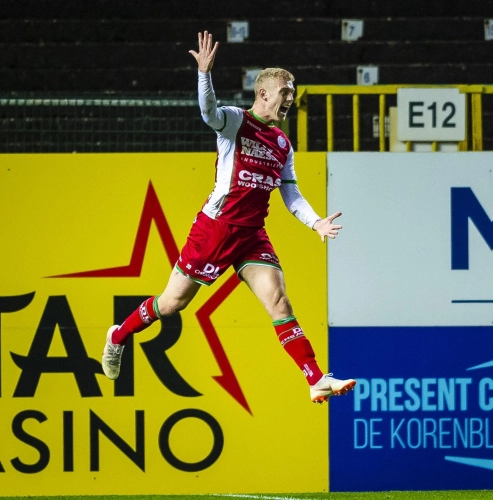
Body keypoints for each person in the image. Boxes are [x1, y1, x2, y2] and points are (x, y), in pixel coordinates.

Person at [101, 31, 355, 404]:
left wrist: (315, 221)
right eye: (286, 91)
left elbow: (291, 193)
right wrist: (204, 74)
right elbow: (209, 112)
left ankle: (315, 378)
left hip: (252, 236)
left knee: (279, 302)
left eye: (293, 92)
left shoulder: (283, 144)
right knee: (172, 304)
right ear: (263, 93)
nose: (291, 97)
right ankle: (118, 335)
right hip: (215, 230)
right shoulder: (236, 122)